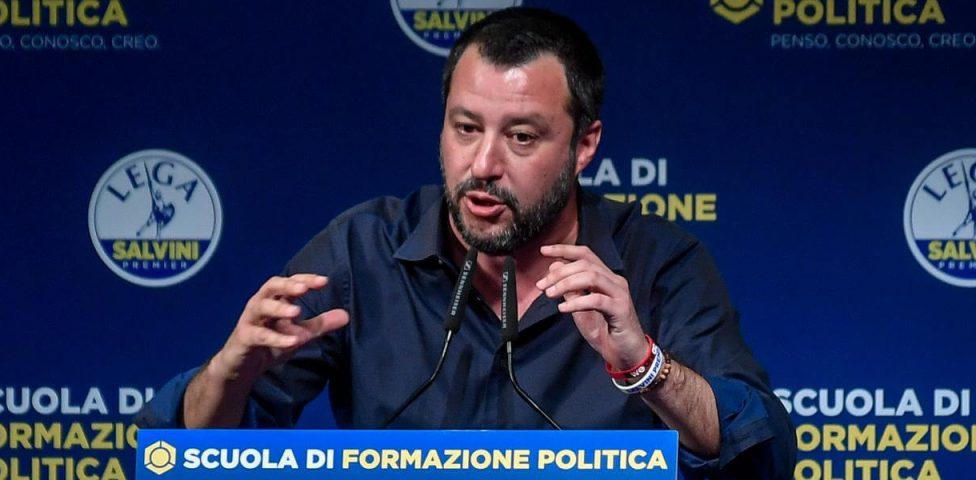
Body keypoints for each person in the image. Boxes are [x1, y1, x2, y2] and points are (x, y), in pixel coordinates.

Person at [137, 7, 795, 478]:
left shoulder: (655, 263)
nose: (483, 165)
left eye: (522, 137)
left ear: (584, 145)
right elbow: (178, 458)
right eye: (465, 127)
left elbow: (763, 456)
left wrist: (646, 367)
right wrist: (228, 375)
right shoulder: (365, 250)